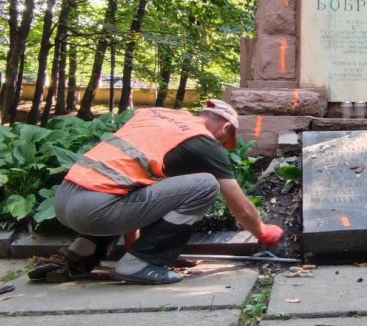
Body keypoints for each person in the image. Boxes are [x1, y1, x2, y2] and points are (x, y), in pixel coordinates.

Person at [28, 100, 284, 285]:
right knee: (206, 184)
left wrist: (134, 246)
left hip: (65, 199)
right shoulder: (204, 141)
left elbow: (131, 183)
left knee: (118, 189)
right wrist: (263, 232)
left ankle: (80, 254)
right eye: (224, 141)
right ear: (226, 128)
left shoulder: (154, 116)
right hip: (96, 209)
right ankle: (141, 265)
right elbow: (241, 208)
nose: (221, 146)